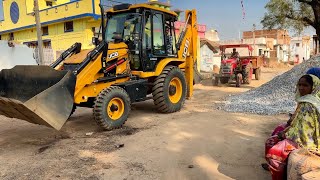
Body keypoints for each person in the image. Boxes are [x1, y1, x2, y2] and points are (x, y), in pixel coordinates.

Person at [263, 74, 320, 180]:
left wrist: (285, 134)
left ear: (313, 87)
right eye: (300, 85)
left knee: (274, 149)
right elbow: (298, 121)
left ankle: (278, 175)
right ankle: (276, 169)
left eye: (305, 85)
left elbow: (304, 130)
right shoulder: (308, 100)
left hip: (307, 140)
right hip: (299, 134)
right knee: (277, 132)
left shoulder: (308, 104)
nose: (301, 88)